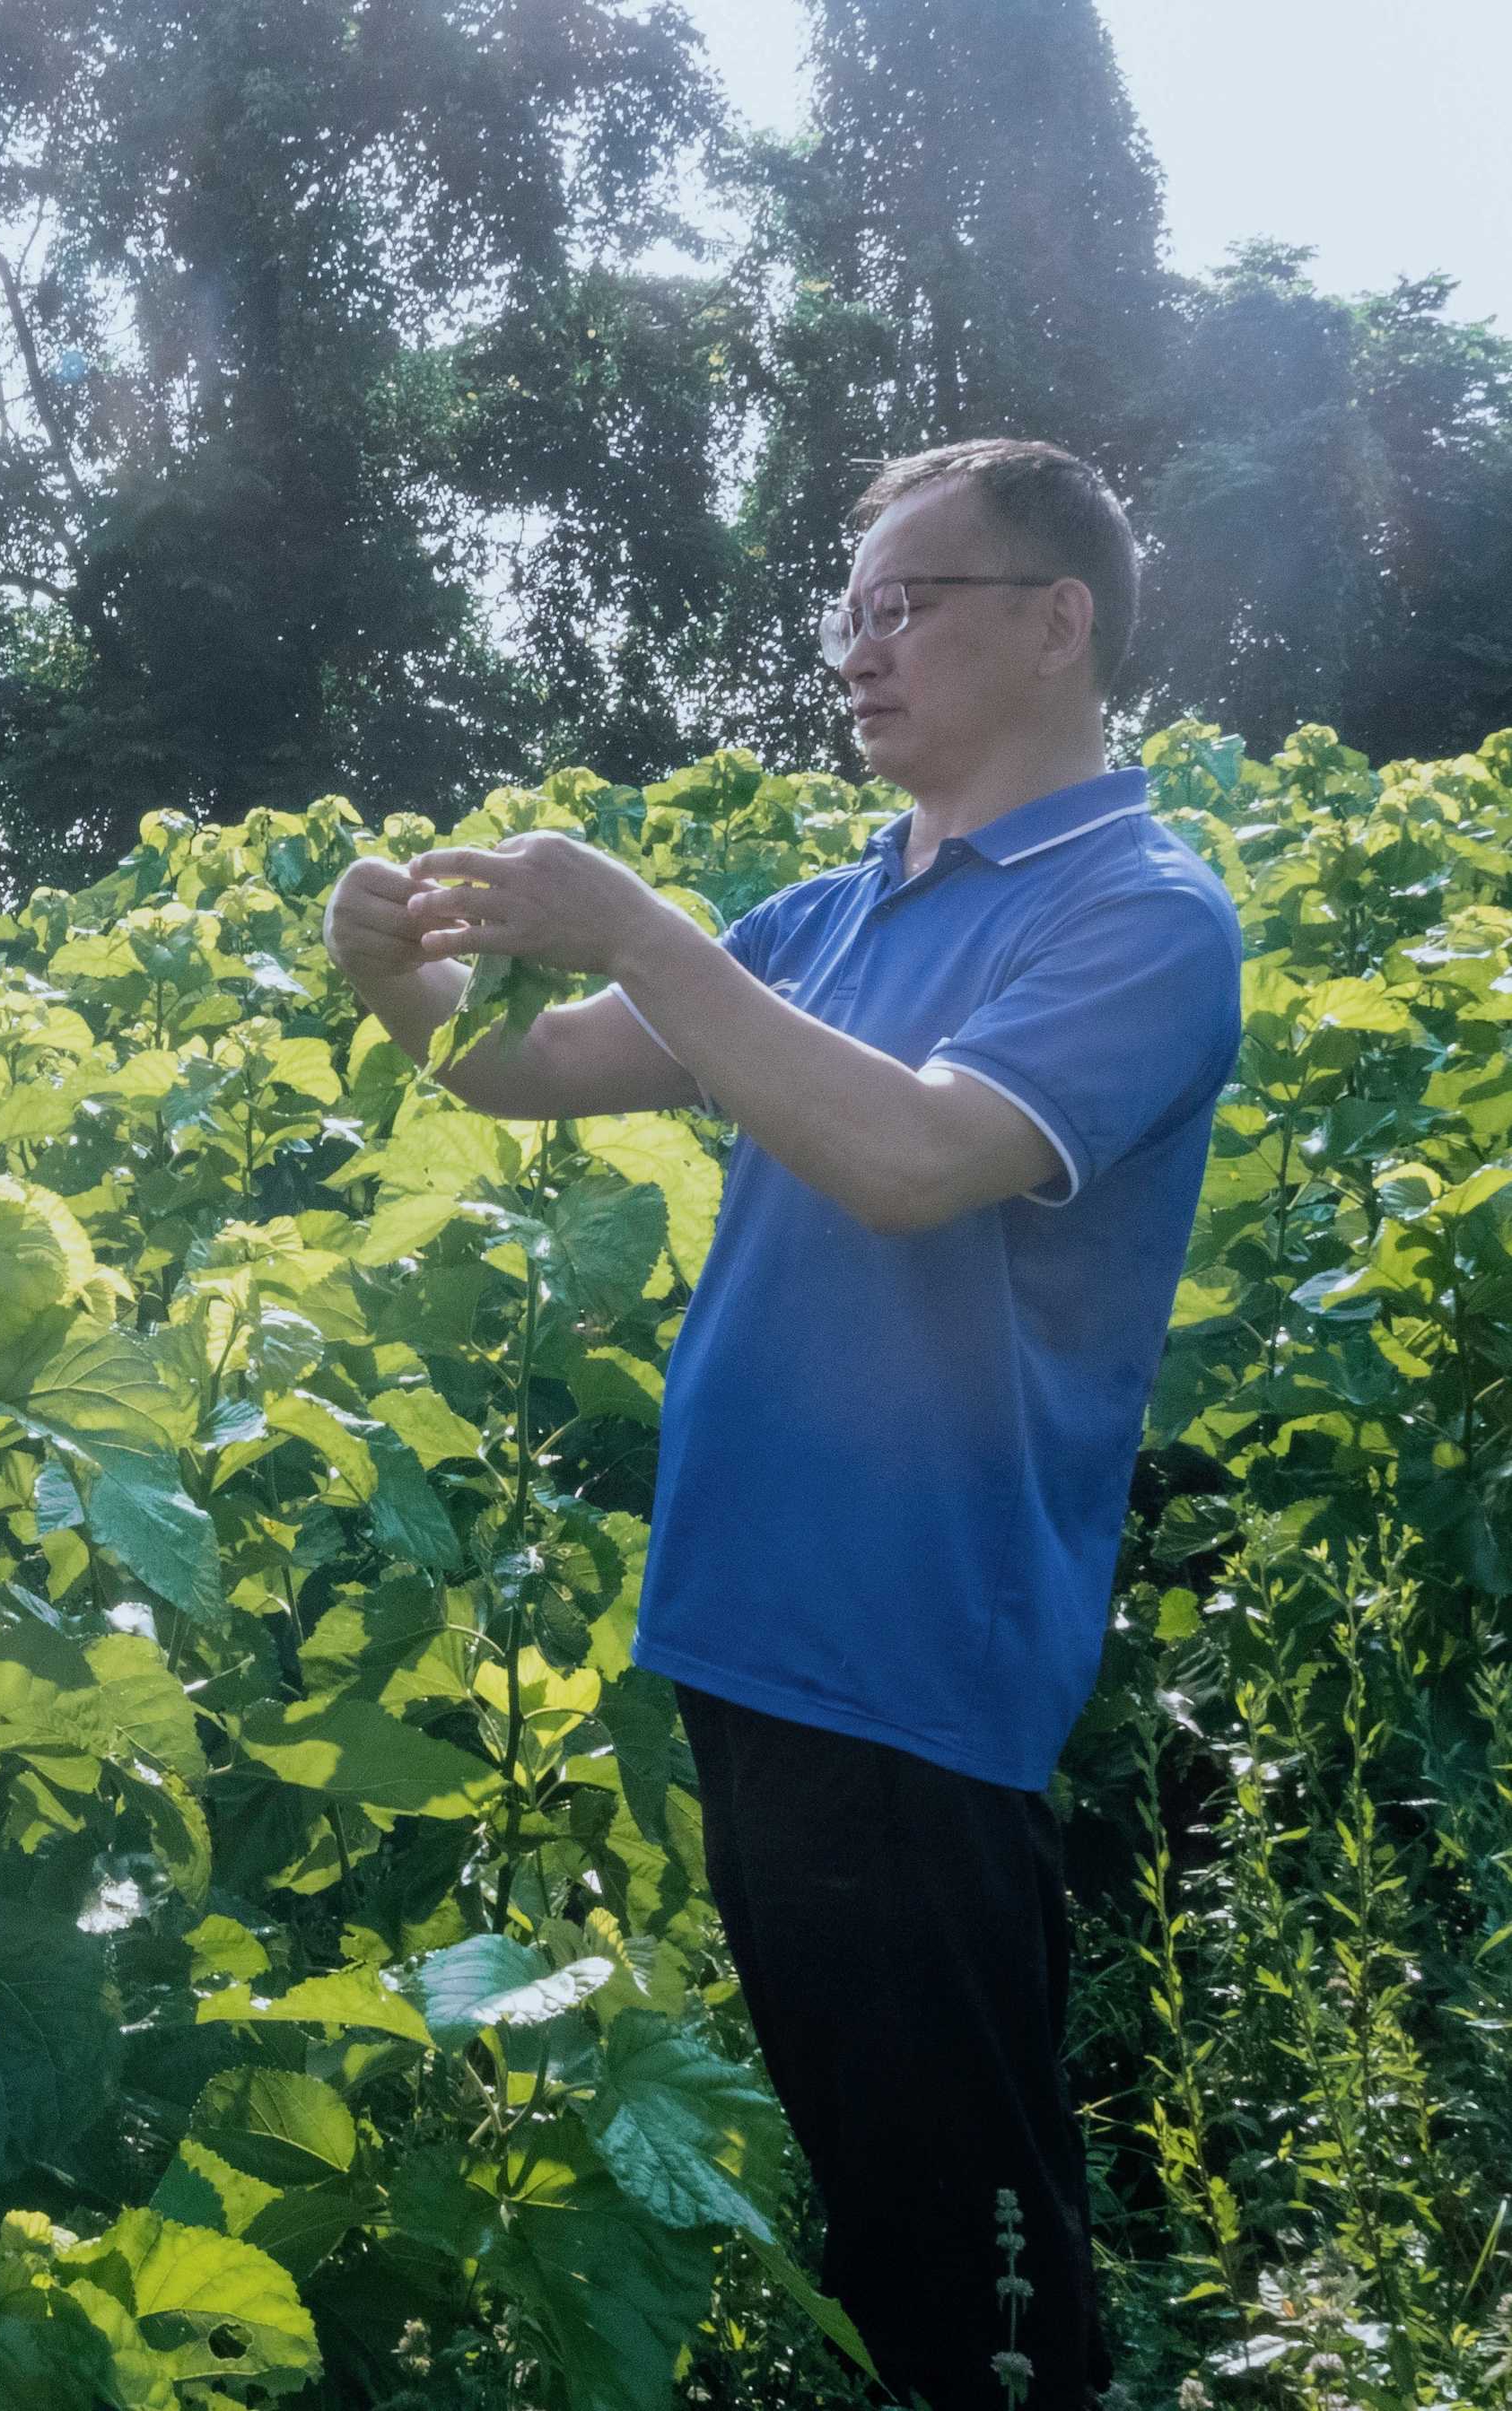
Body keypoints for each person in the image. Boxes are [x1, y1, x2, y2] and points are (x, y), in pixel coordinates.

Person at [319, 438, 1240, 2411]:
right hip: (751, 1627)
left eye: (907, 600)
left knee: (962, 2236)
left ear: (1055, 618)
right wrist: (395, 980)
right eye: (850, 609)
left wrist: (637, 922)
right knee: (887, 2188)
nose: (858, 647)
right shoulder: (826, 911)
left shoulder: (1138, 912)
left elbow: (912, 1157)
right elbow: (530, 1065)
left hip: (904, 1650)